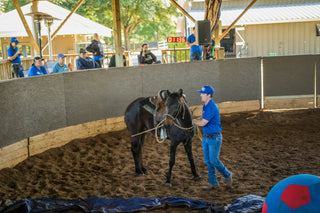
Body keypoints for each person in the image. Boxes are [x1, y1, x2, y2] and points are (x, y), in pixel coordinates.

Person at [192, 85, 232, 190]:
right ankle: (213, 183)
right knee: (208, 161)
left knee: (213, 160)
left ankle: (227, 175)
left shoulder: (211, 107)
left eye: (202, 93)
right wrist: (198, 119)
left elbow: (204, 123)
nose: (200, 95)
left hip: (214, 138)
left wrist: (194, 121)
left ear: (208, 95)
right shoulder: (206, 105)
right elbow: (204, 118)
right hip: (207, 137)